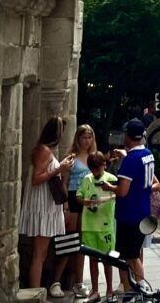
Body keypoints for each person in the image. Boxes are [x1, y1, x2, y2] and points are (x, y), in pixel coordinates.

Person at [18, 116, 74, 296]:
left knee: (40, 254)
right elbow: (36, 179)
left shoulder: (46, 150)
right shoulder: (44, 150)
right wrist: (59, 169)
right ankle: (36, 293)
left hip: (46, 206)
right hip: (42, 207)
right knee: (39, 254)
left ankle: (37, 291)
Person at [99, 118, 155, 292]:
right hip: (143, 211)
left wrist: (109, 187)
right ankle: (130, 286)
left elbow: (123, 191)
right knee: (132, 253)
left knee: (128, 256)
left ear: (127, 136)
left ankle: (138, 286)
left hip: (129, 214)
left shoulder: (130, 161)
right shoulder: (147, 154)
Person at [77, 151, 117, 302]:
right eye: (92, 169)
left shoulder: (111, 179)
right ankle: (95, 290)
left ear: (104, 165)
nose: (95, 173)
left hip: (105, 225)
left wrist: (104, 199)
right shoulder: (87, 179)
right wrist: (85, 201)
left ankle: (109, 290)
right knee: (93, 259)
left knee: (107, 259)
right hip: (89, 225)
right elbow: (79, 196)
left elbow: (118, 195)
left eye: (98, 169)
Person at [66, 124, 98, 298]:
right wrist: (64, 204)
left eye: (90, 137)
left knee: (84, 241)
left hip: (89, 199)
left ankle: (79, 279)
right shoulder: (72, 157)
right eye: (84, 137)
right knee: (72, 240)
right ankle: (69, 278)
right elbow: (64, 181)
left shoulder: (94, 156)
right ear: (78, 139)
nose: (87, 140)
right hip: (73, 198)